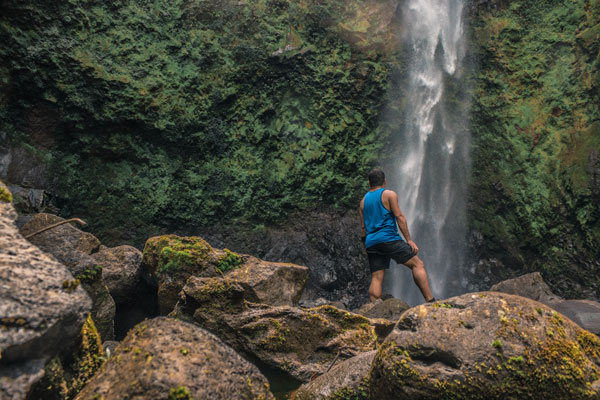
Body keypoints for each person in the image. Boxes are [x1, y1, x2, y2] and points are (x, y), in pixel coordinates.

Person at [359, 168, 435, 303]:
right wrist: (409, 240)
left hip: (371, 242)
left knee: (376, 277)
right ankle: (431, 301)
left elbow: (363, 228)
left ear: (369, 182)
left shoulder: (363, 201)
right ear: (384, 181)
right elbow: (399, 216)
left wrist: (364, 245)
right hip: (388, 239)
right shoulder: (389, 195)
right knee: (417, 265)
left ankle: (374, 309)